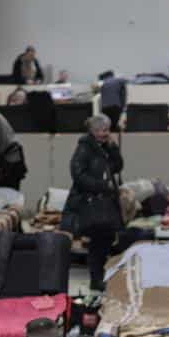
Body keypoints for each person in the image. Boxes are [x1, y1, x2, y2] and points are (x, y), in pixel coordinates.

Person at [62, 114, 123, 289]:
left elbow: (118, 166)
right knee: (97, 241)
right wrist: (101, 186)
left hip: (105, 202)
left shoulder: (104, 147)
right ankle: (96, 279)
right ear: (94, 131)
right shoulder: (84, 148)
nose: (106, 133)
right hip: (92, 202)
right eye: (103, 130)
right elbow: (77, 174)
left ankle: (99, 278)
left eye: (107, 130)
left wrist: (113, 148)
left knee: (105, 240)